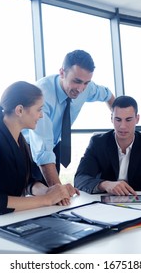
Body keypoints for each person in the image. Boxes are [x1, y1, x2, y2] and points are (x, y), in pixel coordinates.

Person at [0, 81, 71, 222]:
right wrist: (46, 199)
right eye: (39, 110)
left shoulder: (20, 140)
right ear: (20, 110)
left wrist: (52, 192)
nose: (41, 116)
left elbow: (29, 182)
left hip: (9, 221)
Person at [24, 49, 115, 196]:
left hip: (54, 144)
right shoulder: (42, 95)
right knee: (37, 195)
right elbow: (42, 150)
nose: (80, 89)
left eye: (86, 82)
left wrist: (116, 115)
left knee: (52, 200)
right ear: (62, 73)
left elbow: (107, 94)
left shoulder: (86, 89)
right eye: (76, 81)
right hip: (26, 147)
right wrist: (61, 193)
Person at [74, 95, 141, 195]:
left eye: (128, 120)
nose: (122, 126)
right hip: (104, 202)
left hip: (140, 201)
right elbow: (80, 179)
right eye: (118, 119)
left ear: (137, 119)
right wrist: (105, 184)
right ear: (111, 119)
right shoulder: (98, 143)